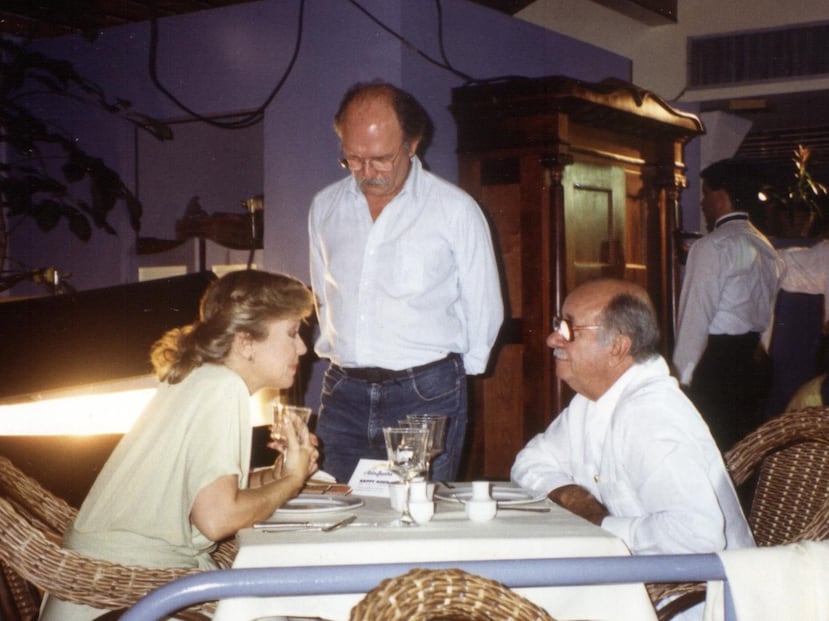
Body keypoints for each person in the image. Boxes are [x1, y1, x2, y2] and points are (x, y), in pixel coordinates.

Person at [40, 270, 319, 621]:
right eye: (292, 333)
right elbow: (217, 519)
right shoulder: (223, 389)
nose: (303, 348)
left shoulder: (200, 376)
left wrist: (277, 476)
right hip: (123, 603)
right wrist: (291, 482)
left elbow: (198, 493)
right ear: (246, 342)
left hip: (113, 593)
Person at [309, 80, 503, 483]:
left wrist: (447, 378)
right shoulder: (325, 206)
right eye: (353, 159)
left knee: (416, 523)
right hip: (343, 393)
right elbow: (325, 294)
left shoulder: (454, 210)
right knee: (329, 514)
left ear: (412, 145)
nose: (366, 172)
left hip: (424, 394)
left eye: (380, 159)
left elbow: (483, 305)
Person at [511, 278, 753, 559]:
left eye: (568, 328)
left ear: (617, 347)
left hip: (690, 595)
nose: (552, 339)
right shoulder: (592, 401)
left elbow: (697, 535)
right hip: (634, 577)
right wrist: (571, 496)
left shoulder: (651, 416)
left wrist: (601, 526)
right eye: (557, 325)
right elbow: (529, 462)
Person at [673, 158, 782, 451]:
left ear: (721, 196)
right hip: (754, 364)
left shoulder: (712, 246)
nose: (702, 203)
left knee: (710, 452)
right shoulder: (766, 247)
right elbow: (768, 314)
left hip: (717, 367)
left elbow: (695, 315)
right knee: (744, 452)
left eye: (705, 193)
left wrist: (680, 380)